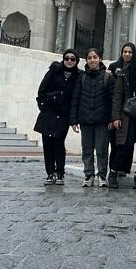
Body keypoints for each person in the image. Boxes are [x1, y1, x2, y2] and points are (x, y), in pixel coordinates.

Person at [34, 49, 80, 185]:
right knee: (47, 144)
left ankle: (59, 172)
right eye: (67, 58)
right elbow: (41, 92)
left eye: (73, 59)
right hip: (49, 113)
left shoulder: (78, 76)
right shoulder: (53, 72)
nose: (69, 61)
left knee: (59, 143)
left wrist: (73, 118)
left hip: (64, 115)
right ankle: (50, 172)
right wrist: (45, 106)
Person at [70, 48, 114, 187]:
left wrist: (112, 119)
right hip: (85, 119)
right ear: (87, 60)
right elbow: (75, 99)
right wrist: (73, 120)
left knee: (102, 150)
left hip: (102, 120)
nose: (92, 60)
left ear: (100, 59)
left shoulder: (108, 77)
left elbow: (113, 100)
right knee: (87, 149)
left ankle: (102, 175)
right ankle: (88, 175)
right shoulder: (81, 77)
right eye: (90, 58)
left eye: (95, 57)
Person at [110, 46, 136, 189]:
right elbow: (117, 95)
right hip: (128, 116)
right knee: (125, 145)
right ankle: (113, 172)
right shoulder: (125, 73)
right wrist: (116, 116)